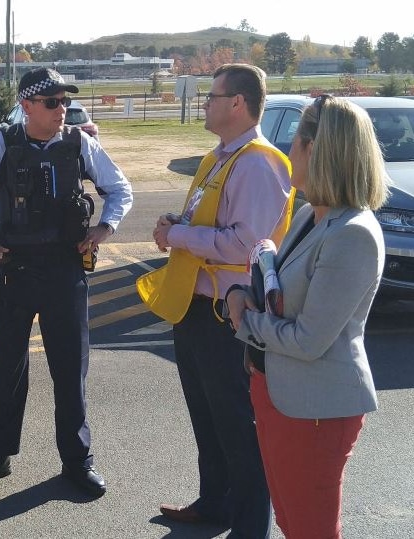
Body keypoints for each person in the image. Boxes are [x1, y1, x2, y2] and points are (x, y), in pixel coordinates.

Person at [0, 67, 133, 498]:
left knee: (70, 371)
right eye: (51, 102)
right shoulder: (1, 144)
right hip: (15, 271)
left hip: (65, 272)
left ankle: (76, 461)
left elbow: (120, 190)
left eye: (64, 101)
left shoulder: (78, 143)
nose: (61, 108)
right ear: (26, 106)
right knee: (6, 369)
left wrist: (105, 228)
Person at [138, 63, 293, 537]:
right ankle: (214, 504)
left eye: (212, 94)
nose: (204, 102)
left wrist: (179, 234)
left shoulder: (259, 163)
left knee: (238, 428)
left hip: (228, 314)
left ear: (237, 104)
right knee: (207, 417)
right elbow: (203, 218)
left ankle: (249, 526)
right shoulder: (220, 157)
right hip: (194, 308)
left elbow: (247, 243)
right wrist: (175, 223)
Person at [225, 95, 388, 539]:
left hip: (315, 410)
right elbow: (282, 291)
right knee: (292, 520)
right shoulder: (310, 215)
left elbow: (309, 340)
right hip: (280, 394)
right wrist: (247, 292)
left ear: (316, 149)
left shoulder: (353, 234)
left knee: (311, 528)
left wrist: (245, 322)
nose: (287, 149)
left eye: (294, 141)